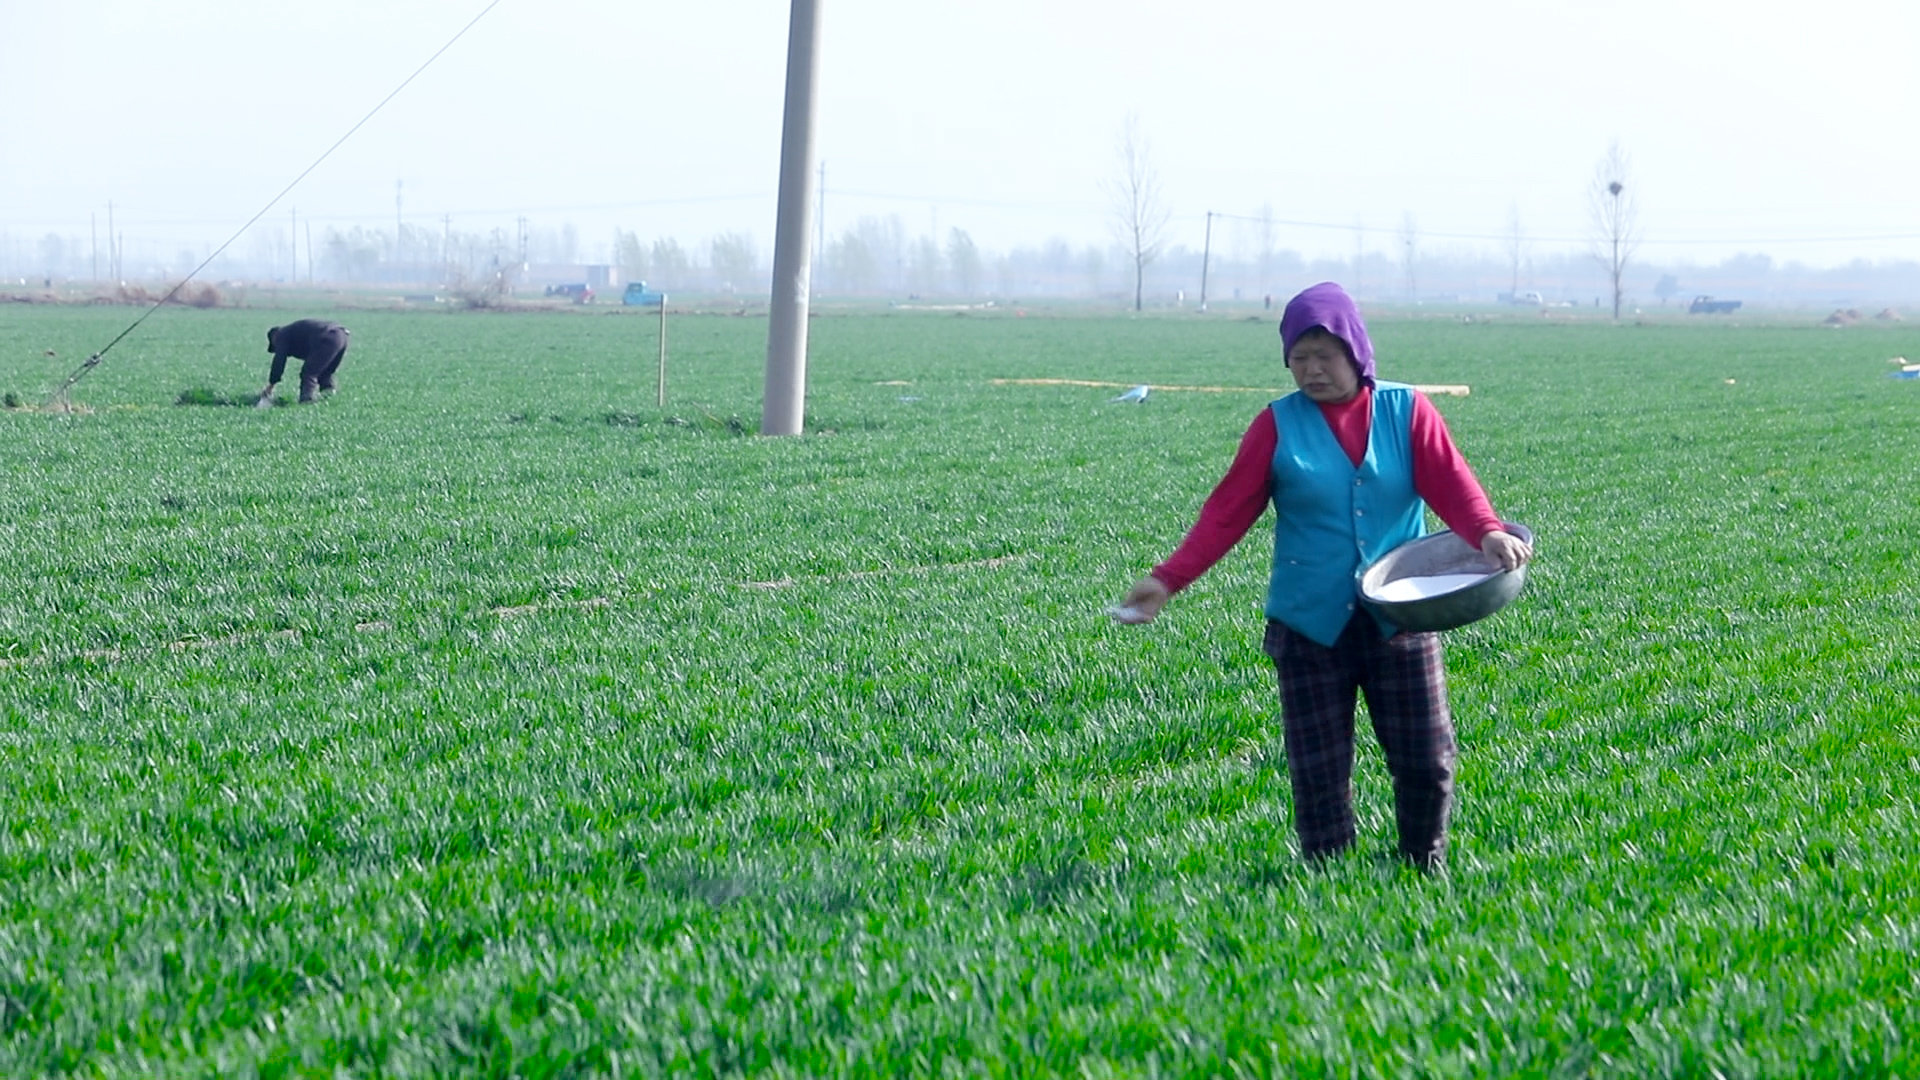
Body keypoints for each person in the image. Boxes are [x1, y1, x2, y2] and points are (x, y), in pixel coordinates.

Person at [1113, 282, 1531, 870]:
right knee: (1318, 768)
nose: (1311, 370)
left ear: (1356, 353)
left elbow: (1450, 482)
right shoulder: (1275, 426)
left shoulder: (1407, 410)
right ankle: (1329, 878)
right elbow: (1227, 512)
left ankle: (1422, 863)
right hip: (1309, 626)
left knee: (1427, 758)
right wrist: (1167, 579)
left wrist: (1486, 530)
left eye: (1324, 356)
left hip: (1399, 620)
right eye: (1298, 358)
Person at [258, 319, 350, 405]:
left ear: (274, 338)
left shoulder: (281, 335)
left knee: (309, 373)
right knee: (325, 372)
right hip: (341, 335)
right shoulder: (293, 333)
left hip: (327, 337)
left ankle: (306, 401)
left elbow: (279, 360)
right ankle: (329, 398)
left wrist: (271, 384)